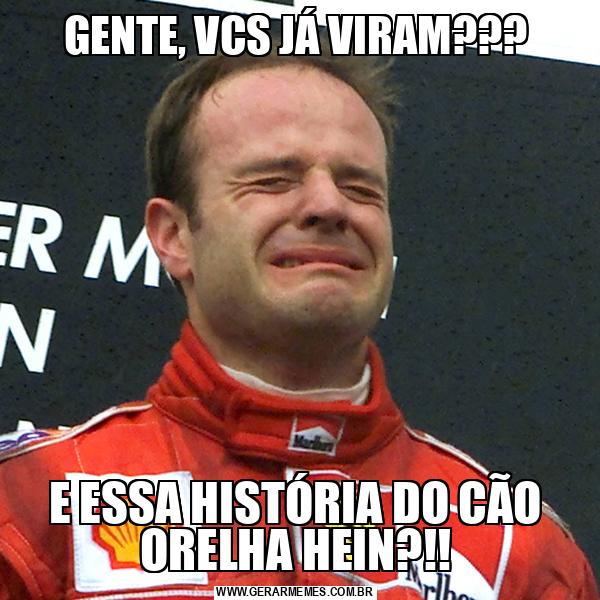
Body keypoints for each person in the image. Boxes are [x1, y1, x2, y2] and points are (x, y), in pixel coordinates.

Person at [0, 46, 597, 599]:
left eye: (360, 188)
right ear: (174, 236)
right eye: (274, 180)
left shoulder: (515, 551)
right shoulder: (33, 507)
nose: (329, 206)